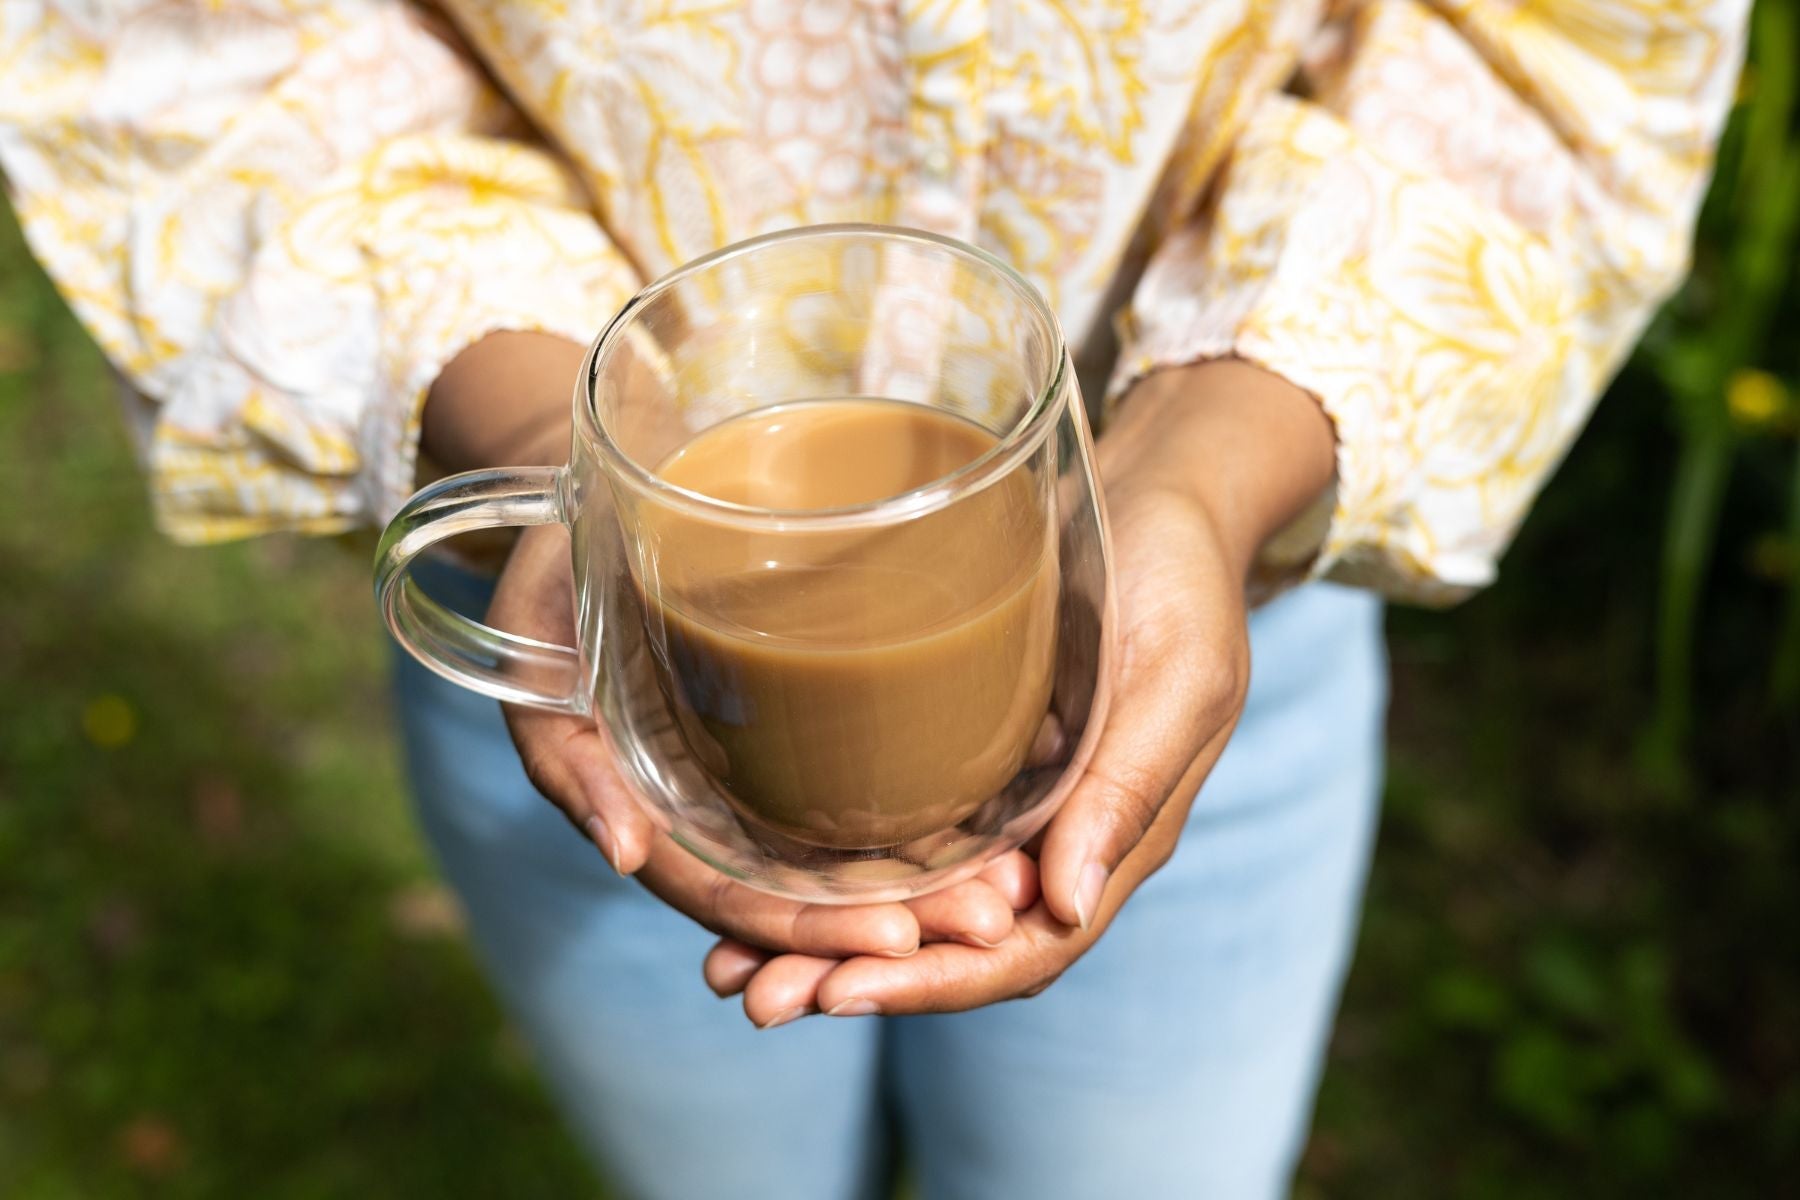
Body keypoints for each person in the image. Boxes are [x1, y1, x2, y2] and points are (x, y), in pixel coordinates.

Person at [1, 1, 1748, 1195]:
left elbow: (1563, 48)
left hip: (1189, 657)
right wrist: (552, 444)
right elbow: (185, 44)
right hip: (612, 707)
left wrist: (1206, 472)